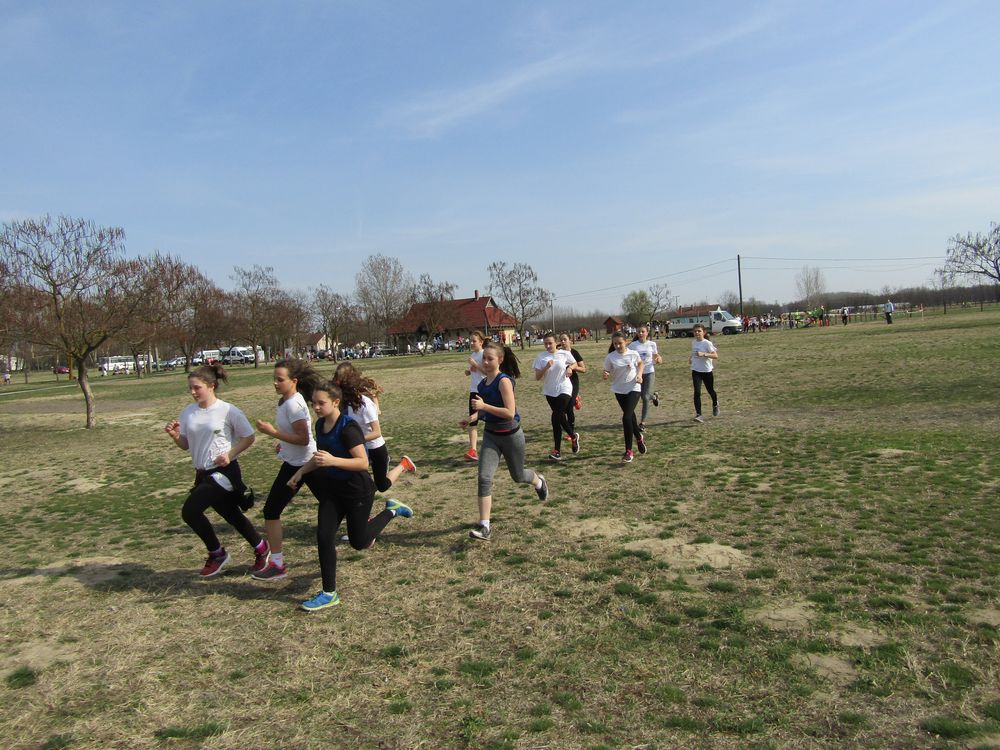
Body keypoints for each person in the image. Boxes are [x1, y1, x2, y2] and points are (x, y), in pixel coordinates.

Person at [288, 380, 413, 611]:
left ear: (336, 402)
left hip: (358, 490)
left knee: (359, 542)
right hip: (333, 490)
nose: (316, 407)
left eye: (321, 403)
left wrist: (333, 461)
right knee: (324, 535)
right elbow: (320, 456)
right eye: (314, 403)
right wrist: (301, 472)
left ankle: (391, 511)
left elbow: (362, 463)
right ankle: (329, 593)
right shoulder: (320, 425)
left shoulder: (348, 428)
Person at [164, 363, 268, 579]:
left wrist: (230, 454)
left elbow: (249, 437)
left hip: (225, 472)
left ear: (211, 386)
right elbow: (185, 445)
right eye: (190, 388)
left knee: (190, 512)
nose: (193, 392)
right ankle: (261, 547)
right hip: (203, 473)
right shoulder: (188, 412)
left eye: (197, 388)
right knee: (232, 515)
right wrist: (175, 436)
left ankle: (217, 553)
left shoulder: (228, 410)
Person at [460, 340, 548, 541]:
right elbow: (486, 411)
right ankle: (485, 526)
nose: (486, 362)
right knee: (484, 478)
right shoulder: (482, 384)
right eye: (484, 358)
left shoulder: (504, 381)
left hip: (511, 436)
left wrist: (483, 407)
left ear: (499, 360)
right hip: (491, 436)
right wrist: (473, 418)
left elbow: (509, 412)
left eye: (490, 359)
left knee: (518, 476)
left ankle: (538, 481)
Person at [251, 359, 321, 581]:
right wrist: (282, 443)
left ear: (294, 381)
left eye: (280, 379)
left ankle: (365, 525)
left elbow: (303, 439)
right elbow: (293, 435)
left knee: (336, 503)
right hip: (293, 464)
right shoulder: (284, 401)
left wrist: (272, 432)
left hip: (308, 465)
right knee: (271, 510)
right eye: (274, 379)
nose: (275, 383)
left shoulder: (294, 405)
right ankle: (277, 564)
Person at [333, 362, 416, 495]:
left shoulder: (364, 404)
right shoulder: (344, 403)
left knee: (381, 486)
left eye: (340, 380)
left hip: (375, 448)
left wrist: (356, 441)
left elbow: (377, 432)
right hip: (359, 449)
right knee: (358, 483)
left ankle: (403, 464)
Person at [532, 332, 580, 461]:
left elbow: (575, 363)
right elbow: (537, 377)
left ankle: (557, 451)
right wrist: (546, 367)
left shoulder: (564, 353)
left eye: (550, 343)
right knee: (560, 417)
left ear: (556, 342)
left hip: (565, 388)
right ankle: (573, 436)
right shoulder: (541, 357)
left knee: (555, 418)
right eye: (545, 343)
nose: (548, 346)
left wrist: (570, 368)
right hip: (549, 391)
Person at [603, 331, 646, 463]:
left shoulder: (633, 353)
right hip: (619, 390)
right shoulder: (610, 357)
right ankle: (639, 437)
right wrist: (605, 374)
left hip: (634, 387)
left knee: (626, 417)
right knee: (630, 416)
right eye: (615, 343)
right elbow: (606, 370)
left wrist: (639, 375)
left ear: (625, 342)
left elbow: (641, 364)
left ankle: (629, 451)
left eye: (620, 343)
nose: (617, 346)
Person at [628, 325, 662, 432]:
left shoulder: (652, 344)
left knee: (645, 397)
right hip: (638, 374)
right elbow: (628, 356)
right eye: (639, 332)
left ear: (647, 333)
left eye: (643, 331)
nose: (641, 333)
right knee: (641, 395)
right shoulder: (633, 345)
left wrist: (658, 359)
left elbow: (656, 355)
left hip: (649, 372)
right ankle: (654, 397)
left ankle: (642, 423)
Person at [463, 331, 486, 461]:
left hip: (484, 390)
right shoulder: (473, 355)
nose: (471, 343)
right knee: (473, 421)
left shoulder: (484, 354)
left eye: (474, 341)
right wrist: (468, 371)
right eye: (470, 341)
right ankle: (473, 450)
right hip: (474, 390)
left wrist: (475, 365)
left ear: (481, 342)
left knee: (489, 418)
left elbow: (488, 372)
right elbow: (473, 371)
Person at [690, 324, 719, 422]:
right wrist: (691, 358)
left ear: (704, 332)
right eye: (695, 331)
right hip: (696, 370)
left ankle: (715, 404)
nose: (697, 333)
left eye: (699, 331)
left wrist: (704, 354)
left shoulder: (707, 343)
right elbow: (694, 353)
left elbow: (715, 356)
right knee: (697, 392)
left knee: (711, 391)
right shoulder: (693, 342)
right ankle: (699, 415)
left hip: (706, 371)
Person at [558, 331, 586, 415]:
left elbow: (583, 369)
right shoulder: (558, 353)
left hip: (573, 380)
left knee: (569, 406)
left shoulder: (574, 353)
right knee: (563, 406)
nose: (563, 342)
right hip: (561, 381)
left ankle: (571, 424)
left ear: (570, 340)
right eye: (561, 340)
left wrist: (572, 366)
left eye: (565, 339)